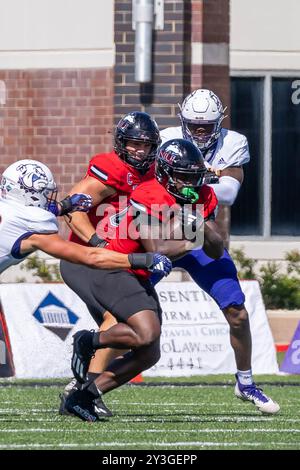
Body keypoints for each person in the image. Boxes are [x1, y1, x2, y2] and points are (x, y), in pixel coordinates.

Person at [63, 138, 223, 422]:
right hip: (116, 266)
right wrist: (192, 237)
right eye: (182, 176)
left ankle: (83, 396)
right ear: (164, 173)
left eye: (193, 176)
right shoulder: (149, 193)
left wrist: (206, 230)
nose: (190, 183)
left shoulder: (204, 195)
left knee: (150, 353)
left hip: (138, 275)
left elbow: (216, 250)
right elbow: (157, 250)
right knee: (146, 333)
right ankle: (89, 341)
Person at [159, 89, 279, 414]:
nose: (199, 132)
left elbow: (228, 193)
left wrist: (185, 183)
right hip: (157, 232)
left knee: (237, 312)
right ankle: (90, 380)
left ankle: (245, 381)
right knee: (124, 303)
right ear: (182, 122)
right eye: (193, 126)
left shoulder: (233, 142)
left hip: (199, 232)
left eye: (206, 126)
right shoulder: (164, 137)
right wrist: (207, 176)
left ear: (219, 121)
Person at [58, 111, 164, 416]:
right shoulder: (110, 168)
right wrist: (97, 245)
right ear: (121, 143)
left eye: (146, 145)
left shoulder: (153, 173)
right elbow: (73, 208)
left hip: (125, 264)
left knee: (147, 345)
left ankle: (85, 390)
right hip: (87, 260)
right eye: (133, 144)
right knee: (119, 320)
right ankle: (84, 392)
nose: (140, 151)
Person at [0, 159, 172, 276]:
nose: (48, 198)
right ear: (28, 194)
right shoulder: (32, 228)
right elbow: (91, 257)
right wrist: (144, 259)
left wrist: (63, 207)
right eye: (44, 193)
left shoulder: (8, 206)